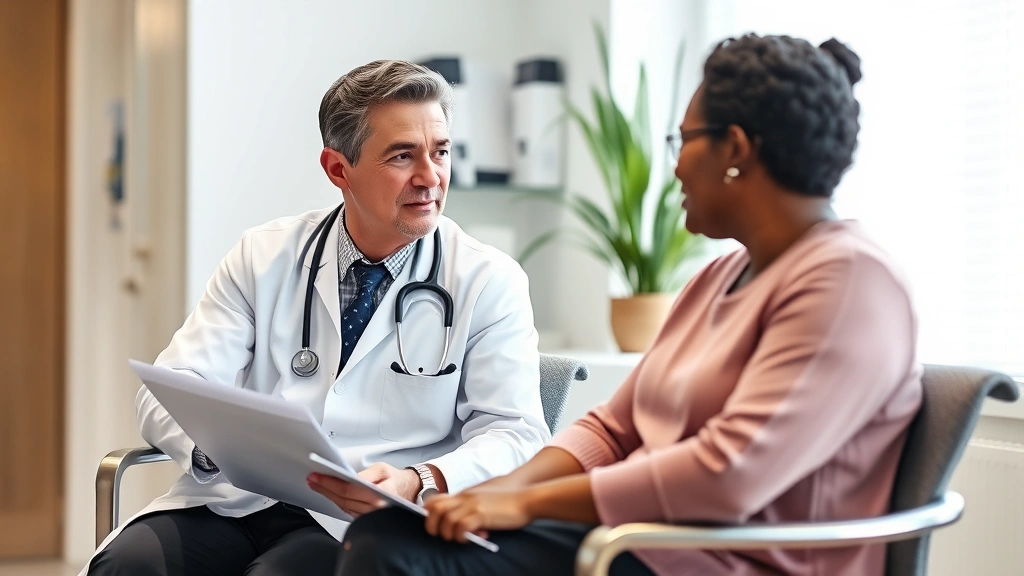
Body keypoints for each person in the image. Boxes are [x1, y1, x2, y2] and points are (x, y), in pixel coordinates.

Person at [333, 34, 924, 576]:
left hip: (730, 562)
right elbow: (615, 428)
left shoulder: (850, 283)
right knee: (387, 538)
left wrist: (524, 499)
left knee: (394, 557)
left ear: (735, 148)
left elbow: (728, 475)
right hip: (640, 541)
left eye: (685, 141)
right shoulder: (719, 278)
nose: (675, 166)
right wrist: (495, 494)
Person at [84, 60, 550, 576]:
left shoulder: (487, 279)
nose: (430, 177)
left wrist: (418, 480)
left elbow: (517, 433)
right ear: (337, 169)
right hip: (235, 498)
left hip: (362, 521)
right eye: (402, 156)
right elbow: (168, 388)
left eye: (440, 152)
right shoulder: (265, 255)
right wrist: (216, 451)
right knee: (129, 567)